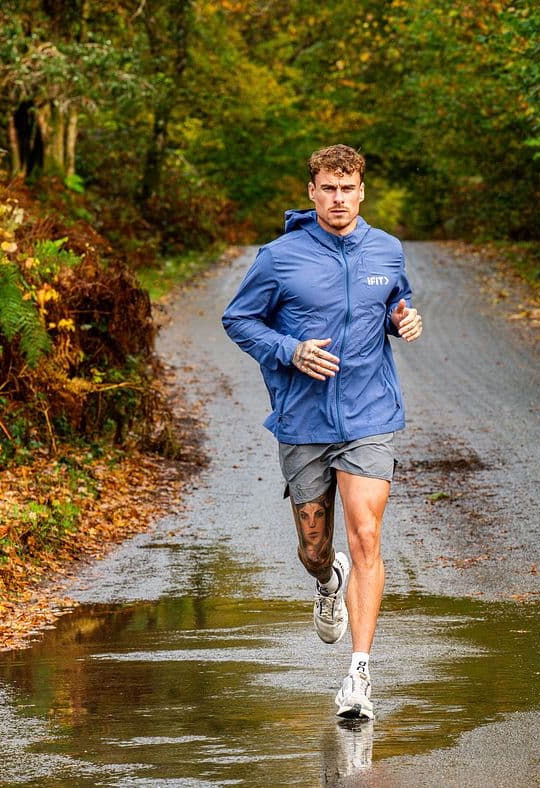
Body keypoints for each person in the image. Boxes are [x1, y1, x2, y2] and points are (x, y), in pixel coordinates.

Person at [222, 144, 422, 720]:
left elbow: (395, 302)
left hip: (369, 414)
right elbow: (239, 319)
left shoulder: (387, 248)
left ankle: (359, 676)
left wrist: (402, 318)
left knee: (366, 537)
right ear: (311, 192)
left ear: (362, 191)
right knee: (315, 547)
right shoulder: (279, 257)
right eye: (328, 188)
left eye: (348, 188)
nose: (338, 198)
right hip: (304, 419)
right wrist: (290, 349)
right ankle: (326, 578)